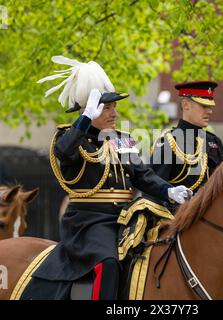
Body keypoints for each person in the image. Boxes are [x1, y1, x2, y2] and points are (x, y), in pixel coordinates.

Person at [21, 56, 192, 300]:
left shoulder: (122, 138)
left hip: (126, 218)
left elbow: (142, 175)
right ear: (90, 111)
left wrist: (169, 190)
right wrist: (84, 120)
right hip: (89, 223)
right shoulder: (69, 137)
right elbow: (64, 153)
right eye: (107, 108)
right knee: (108, 262)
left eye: (114, 107)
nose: (114, 113)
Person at [150, 81, 223, 195]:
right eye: (204, 106)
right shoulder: (169, 141)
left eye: (210, 107)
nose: (209, 111)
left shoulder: (213, 141)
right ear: (185, 105)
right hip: (177, 211)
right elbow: (153, 188)